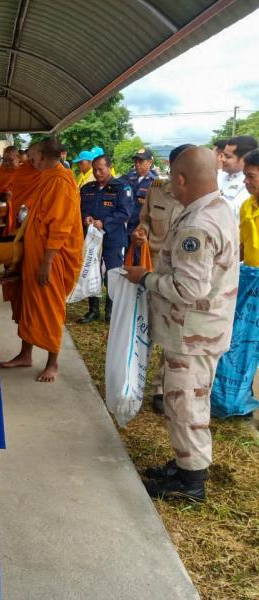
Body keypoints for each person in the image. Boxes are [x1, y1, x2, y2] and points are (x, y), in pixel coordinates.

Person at [124, 146, 239, 501]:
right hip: (201, 329)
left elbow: (187, 288)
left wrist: (145, 278)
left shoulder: (197, 224)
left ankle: (191, 483)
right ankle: (186, 463)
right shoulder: (217, 209)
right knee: (186, 402)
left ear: (181, 179)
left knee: (185, 403)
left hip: (192, 333)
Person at [0, 138, 83, 382]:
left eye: (33, 154)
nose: (29, 158)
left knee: (49, 306)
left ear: (44, 154)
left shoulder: (60, 180)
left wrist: (47, 261)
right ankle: (25, 354)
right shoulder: (45, 174)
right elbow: (22, 174)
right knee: (29, 303)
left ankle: (53, 363)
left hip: (52, 257)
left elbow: (60, 226)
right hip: (35, 252)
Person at [131, 144, 193, 414]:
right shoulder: (157, 189)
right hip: (153, 266)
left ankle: (160, 386)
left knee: (173, 327)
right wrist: (141, 231)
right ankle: (136, 374)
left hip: (182, 272)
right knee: (149, 324)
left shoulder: (199, 199)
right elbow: (144, 220)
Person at [78, 154, 132, 323]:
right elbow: (81, 209)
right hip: (92, 240)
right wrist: (86, 217)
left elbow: (125, 213)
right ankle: (93, 310)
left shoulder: (122, 188)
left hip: (113, 239)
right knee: (91, 272)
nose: (97, 172)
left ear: (110, 167)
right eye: (95, 169)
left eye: (101, 169)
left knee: (112, 275)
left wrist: (104, 223)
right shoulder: (87, 188)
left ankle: (111, 311)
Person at [121, 148, 157, 250]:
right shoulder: (129, 177)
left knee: (139, 260)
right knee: (126, 258)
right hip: (126, 225)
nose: (137, 164)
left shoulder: (155, 183)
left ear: (150, 162)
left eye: (140, 161)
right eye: (135, 161)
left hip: (141, 228)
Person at [220, 135, 258, 218]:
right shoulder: (219, 175)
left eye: (228, 156)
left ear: (244, 158)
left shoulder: (251, 184)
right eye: (222, 155)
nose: (222, 159)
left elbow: (237, 213)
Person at [240, 149, 259, 267]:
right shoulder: (246, 206)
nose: (245, 181)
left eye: (251, 176)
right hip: (251, 278)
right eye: (245, 175)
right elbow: (243, 245)